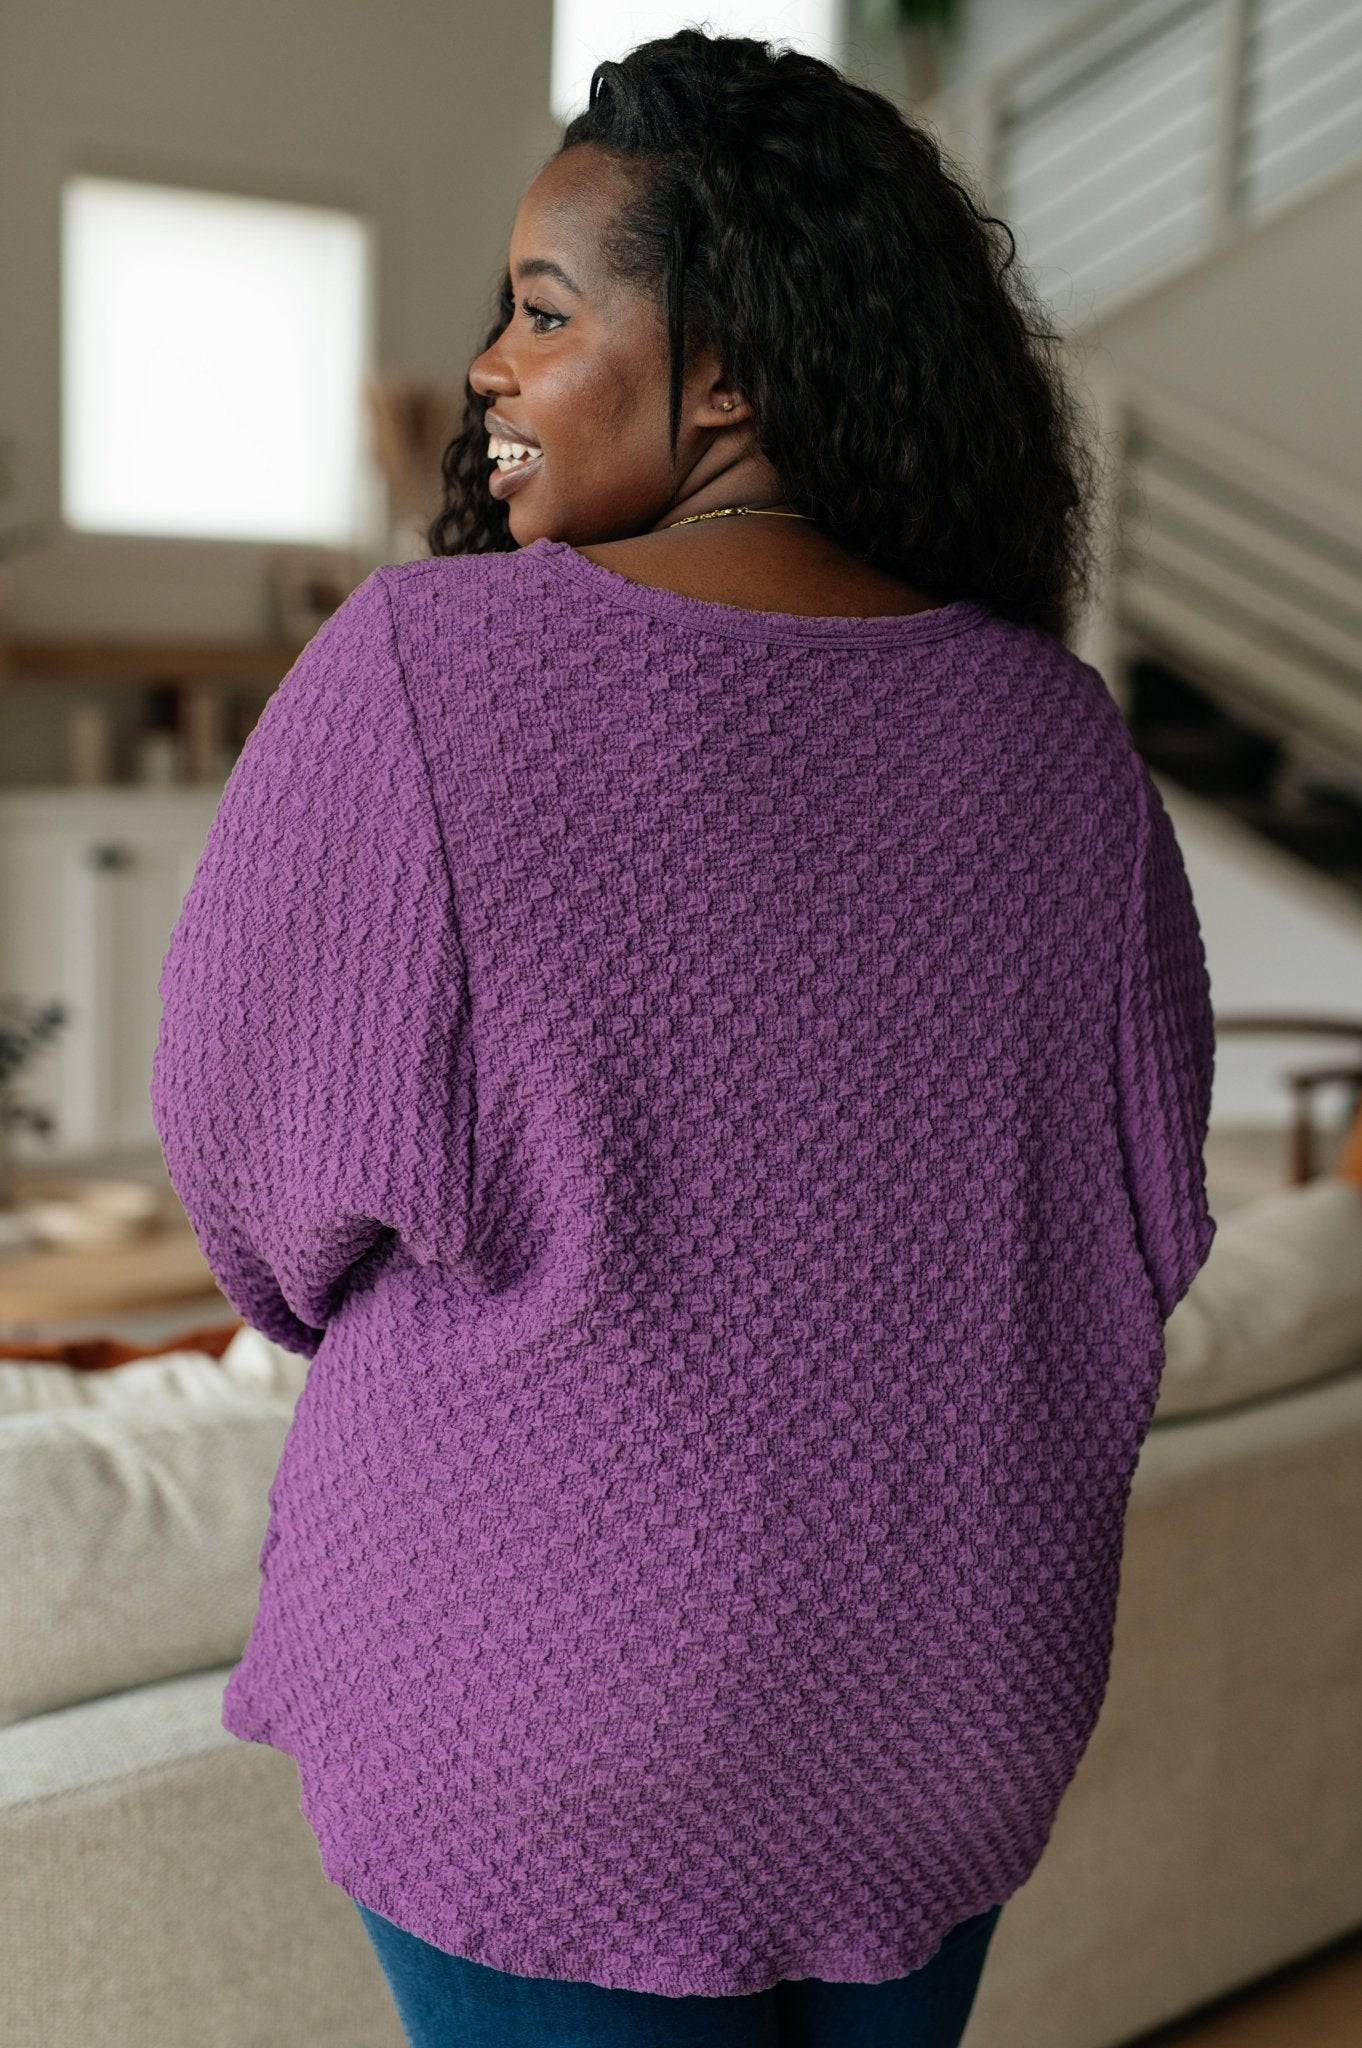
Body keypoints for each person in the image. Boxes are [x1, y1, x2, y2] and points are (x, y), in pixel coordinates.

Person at [149, 27, 1217, 2048]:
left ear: (723, 368)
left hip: (534, 1703)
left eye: (544, 312)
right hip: (947, 1704)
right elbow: (1144, 1232)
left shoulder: (422, 667)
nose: (491, 367)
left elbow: (252, 1180)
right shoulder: (1059, 741)